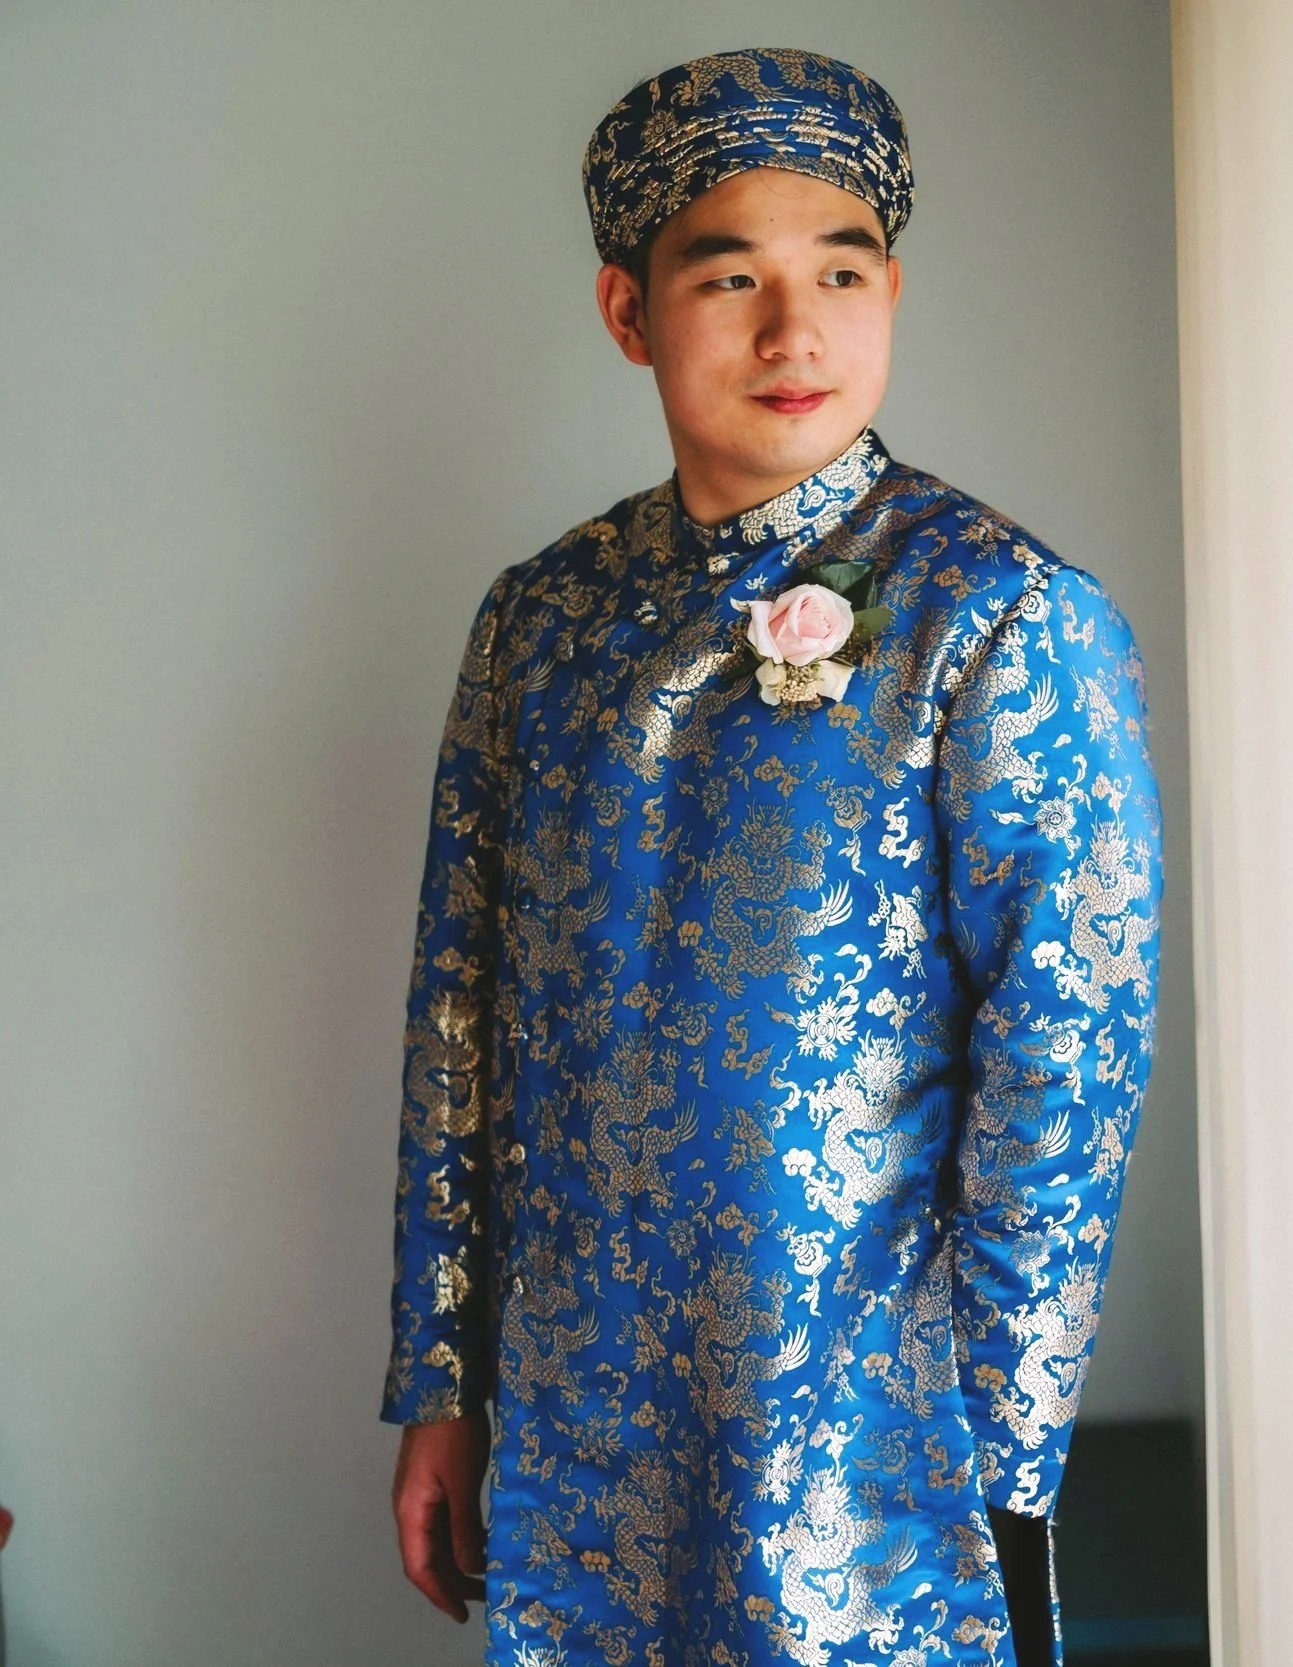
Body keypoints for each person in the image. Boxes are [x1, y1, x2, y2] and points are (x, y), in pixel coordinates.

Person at [383, 46, 1163, 1667]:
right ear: (628, 309)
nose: (793, 330)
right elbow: (459, 1012)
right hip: (580, 1416)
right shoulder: (539, 621)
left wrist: (996, 1452)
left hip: (868, 1439)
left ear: (893, 291)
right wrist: (444, 1378)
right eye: (730, 275)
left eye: (842, 272)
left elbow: (1068, 1060)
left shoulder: (998, 614)